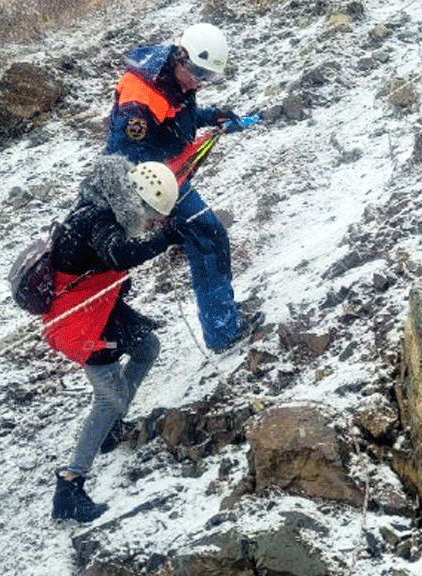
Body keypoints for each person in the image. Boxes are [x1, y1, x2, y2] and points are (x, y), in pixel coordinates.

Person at [106, 22, 262, 353]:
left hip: (171, 176)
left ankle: (223, 318)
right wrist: (151, 210)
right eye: (195, 72)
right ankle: (222, 330)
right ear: (180, 55)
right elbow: (124, 157)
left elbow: (178, 116)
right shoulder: (140, 96)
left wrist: (214, 117)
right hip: (153, 186)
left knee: (210, 238)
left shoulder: (177, 80)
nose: (198, 82)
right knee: (208, 237)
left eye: (207, 77)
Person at [44, 155, 184, 523]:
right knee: (110, 397)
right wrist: (165, 238)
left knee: (147, 347)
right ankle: (70, 484)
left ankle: (110, 429)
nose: (150, 224)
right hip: (79, 324)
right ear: (136, 199)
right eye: (151, 216)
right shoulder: (100, 218)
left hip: (98, 311)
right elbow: (118, 253)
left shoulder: (100, 205)